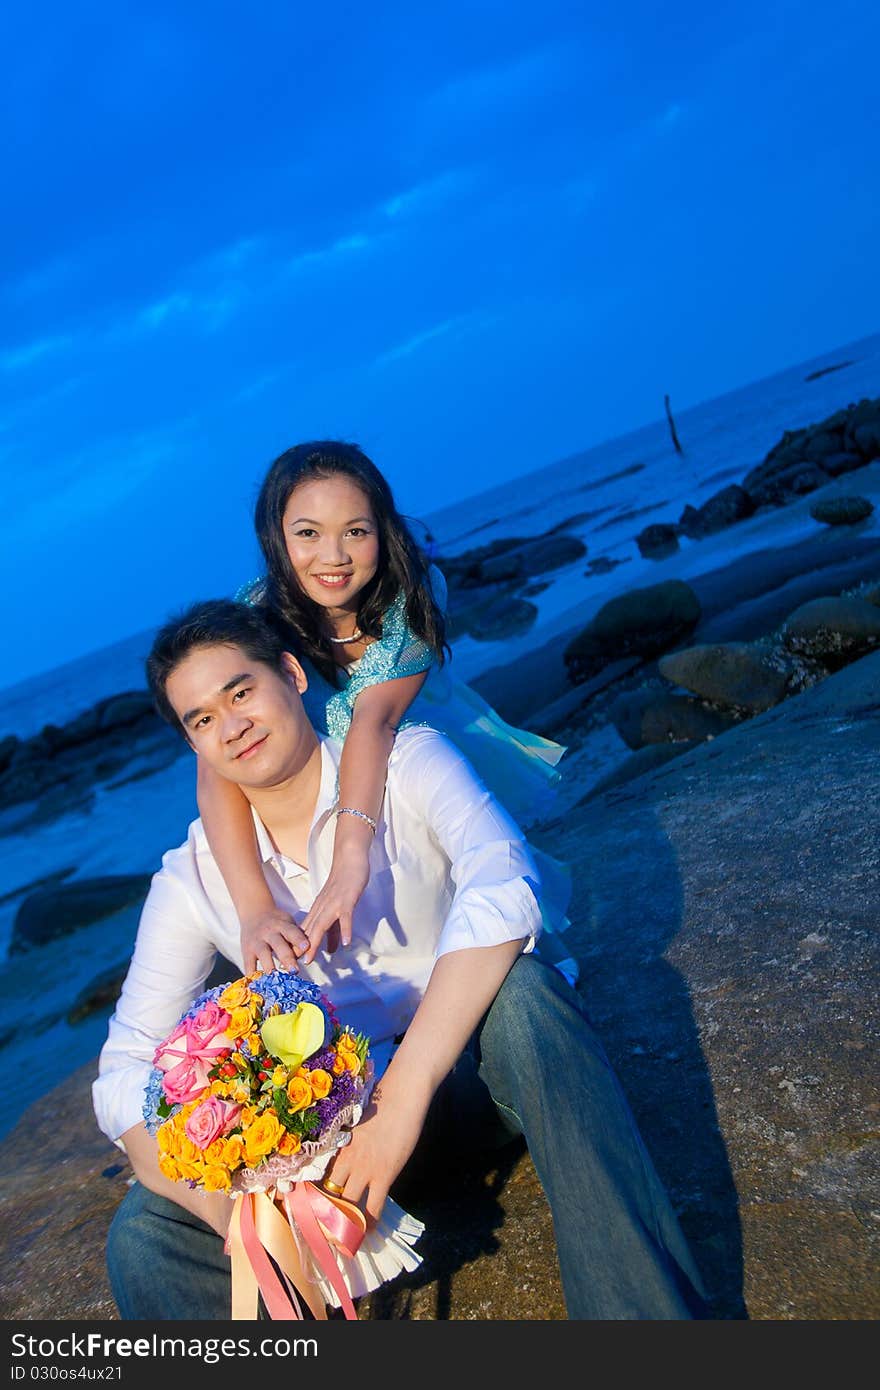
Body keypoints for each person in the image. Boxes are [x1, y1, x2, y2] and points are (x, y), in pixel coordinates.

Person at [93, 599, 710, 1321]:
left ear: (291, 674)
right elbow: (124, 1067)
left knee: (528, 997)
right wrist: (242, 1213)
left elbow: (507, 883)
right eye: (201, 720)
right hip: (330, 1159)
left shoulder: (404, 758)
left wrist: (402, 1097)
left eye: (240, 691)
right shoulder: (195, 877)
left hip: (469, 1080)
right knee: (143, 1235)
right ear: (194, 747)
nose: (231, 726)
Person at [197, 440, 575, 982]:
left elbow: (375, 722)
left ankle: (520, 961)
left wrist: (352, 854)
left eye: (356, 530)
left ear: (383, 530)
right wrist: (254, 909)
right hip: (324, 766)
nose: (334, 557)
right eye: (308, 533)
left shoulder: (414, 591)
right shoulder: (254, 618)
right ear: (275, 538)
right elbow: (215, 767)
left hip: (414, 741)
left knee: (457, 859)